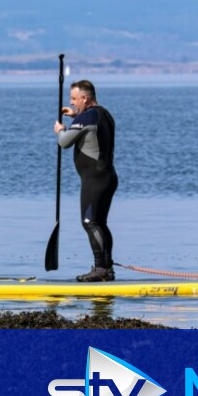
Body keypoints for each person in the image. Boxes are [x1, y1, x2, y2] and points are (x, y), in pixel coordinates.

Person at [54, 79, 119, 282]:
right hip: (107, 177)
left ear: (85, 97)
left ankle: (101, 269)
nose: (72, 102)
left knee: (90, 222)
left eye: (74, 98)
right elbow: (92, 127)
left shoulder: (87, 116)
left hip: (95, 180)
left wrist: (60, 130)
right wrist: (76, 117)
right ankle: (106, 269)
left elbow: (64, 143)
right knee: (100, 223)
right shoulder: (103, 114)